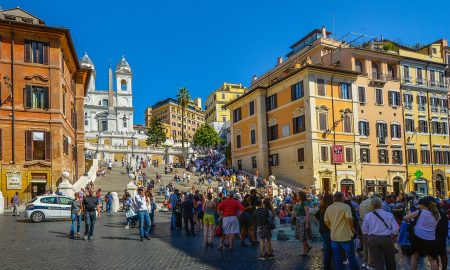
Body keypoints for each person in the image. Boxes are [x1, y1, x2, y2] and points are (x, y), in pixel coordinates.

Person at [403, 196, 440, 270]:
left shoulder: (419, 212)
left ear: (423, 205)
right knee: (432, 259)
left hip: (418, 237)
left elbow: (405, 217)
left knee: (414, 257)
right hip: (431, 238)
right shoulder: (437, 214)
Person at [362, 197, 399, 270]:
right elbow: (396, 228)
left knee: (377, 260)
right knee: (390, 259)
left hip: (373, 239)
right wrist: (393, 238)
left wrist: (365, 241)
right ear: (381, 205)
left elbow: (364, 230)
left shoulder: (368, 215)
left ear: (372, 205)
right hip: (386, 238)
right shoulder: (388, 215)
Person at [324, 192, 358, 270]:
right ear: (342, 198)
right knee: (351, 257)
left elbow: (326, 221)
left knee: (337, 257)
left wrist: (332, 228)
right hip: (346, 236)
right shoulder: (345, 206)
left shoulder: (329, 207)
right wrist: (353, 229)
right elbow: (349, 218)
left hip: (334, 237)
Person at [359, 193, 378, 269]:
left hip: (362, 222)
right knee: (371, 243)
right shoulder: (372, 203)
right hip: (369, 223)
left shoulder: (363, 202)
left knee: (365, 242)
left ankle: (364, 260)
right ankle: (370, 264)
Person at [314, 194, 333, 270]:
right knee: (328, 249)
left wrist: (321, 221)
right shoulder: (329, 208)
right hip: (327, 230)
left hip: (322, 229)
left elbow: (316, 215)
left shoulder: (323, 207)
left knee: (327, 248)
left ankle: (327, 265)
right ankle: (327, 266)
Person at [293, 191, 312, 256]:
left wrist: (307, 223)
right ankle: (308, 247)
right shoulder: (298, 202)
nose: (297, 196)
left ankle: (304, 251)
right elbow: (295, 212)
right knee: (302, 236)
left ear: (301, 196)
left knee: (303, 236)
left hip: (303, 220)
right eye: (297, 195)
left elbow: (307, 213)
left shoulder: (305, 203)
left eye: (298, 195)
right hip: (298, 220)